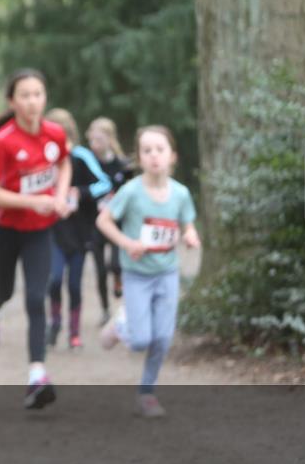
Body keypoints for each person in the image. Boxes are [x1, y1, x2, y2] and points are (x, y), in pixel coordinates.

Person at [0, 69, 71, 410]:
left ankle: (37, 374)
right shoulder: (3, 140)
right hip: (5, 230)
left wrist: (59, 196)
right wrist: (34, 201)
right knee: (5, 291)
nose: (33, 102)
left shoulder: (55, 134)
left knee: (37, 296)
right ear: (12, 101)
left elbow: (64, 165)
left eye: (38, 94)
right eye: (25, 95)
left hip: (39, 231)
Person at [96, 125, 200, 418]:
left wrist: (190, 235)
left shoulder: (180, 194)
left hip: (167, 273)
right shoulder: (131, 192)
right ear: (140, 159)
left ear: (172, 156)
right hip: (137, 275)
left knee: (163, 338)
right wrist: (127, 243)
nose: (154, 156)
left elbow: (187, 223)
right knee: (141, 339)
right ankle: (120, 326)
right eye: (147, 151)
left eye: (160, 150)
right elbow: (104, 221)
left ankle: (147, 393)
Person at [44, 108, 112, 349]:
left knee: (74, 284)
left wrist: (80, 193)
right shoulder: (45, 157)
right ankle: (54, 324)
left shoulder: (82, 156)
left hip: (80, 232)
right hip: (52, 230)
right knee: (53, 281)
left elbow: (105, 183)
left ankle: (74, 332)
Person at [86, 117, 133, 312]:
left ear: (109, 139)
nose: (95, 145)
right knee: (99, 270)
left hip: (116, 222)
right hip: (93, 223)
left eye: (99, 140)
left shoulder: (122, 165)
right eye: (92, 140)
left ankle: (118, 280)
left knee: (116, 263)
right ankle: (105, 309)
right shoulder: (87, 163)